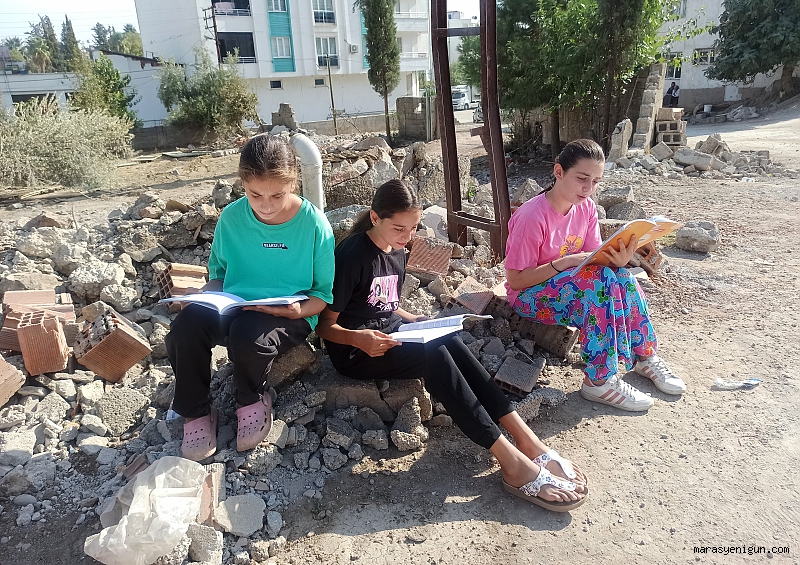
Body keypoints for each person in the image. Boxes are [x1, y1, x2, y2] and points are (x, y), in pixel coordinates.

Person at [315, 180, 589, 512]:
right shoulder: (353, 255)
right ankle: (511, 462)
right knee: (433, 357)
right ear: (375, 218)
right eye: (399, 228)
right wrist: (359, 339)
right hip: (355, 350)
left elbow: (381, 304)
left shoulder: (396, 247)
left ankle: (527, 440)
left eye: (413, 228)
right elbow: (325, 325)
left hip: (389, 333)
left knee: (449, 338)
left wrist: (413, 318)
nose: (407, 236)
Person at [165, 134, 335, 461]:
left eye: (277, 195)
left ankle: (251, 398)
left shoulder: (315, 224)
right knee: (185, 327)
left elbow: (321, 296)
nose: (266, 205)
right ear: (242, 183)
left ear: (293, 183)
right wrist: (202, 296)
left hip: (289, 313)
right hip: (235, 304)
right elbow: (219, 276)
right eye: (255, 194)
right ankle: (195, 411)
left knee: (247, 335)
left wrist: (295, 311)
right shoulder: (231, 218)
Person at [504, 139, 686, 412]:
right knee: (598, 285)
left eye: (596, 181)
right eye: (581, 178)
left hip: (569, 284)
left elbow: (593, 258)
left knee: (623, 277)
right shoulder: (532, 216)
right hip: (529, 296)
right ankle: (598, 381)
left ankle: (644, 356)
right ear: (559, 172)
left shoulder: (586, 208)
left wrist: (618, 261)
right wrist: (565, 262)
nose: (588, 188)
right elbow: (516, 280)